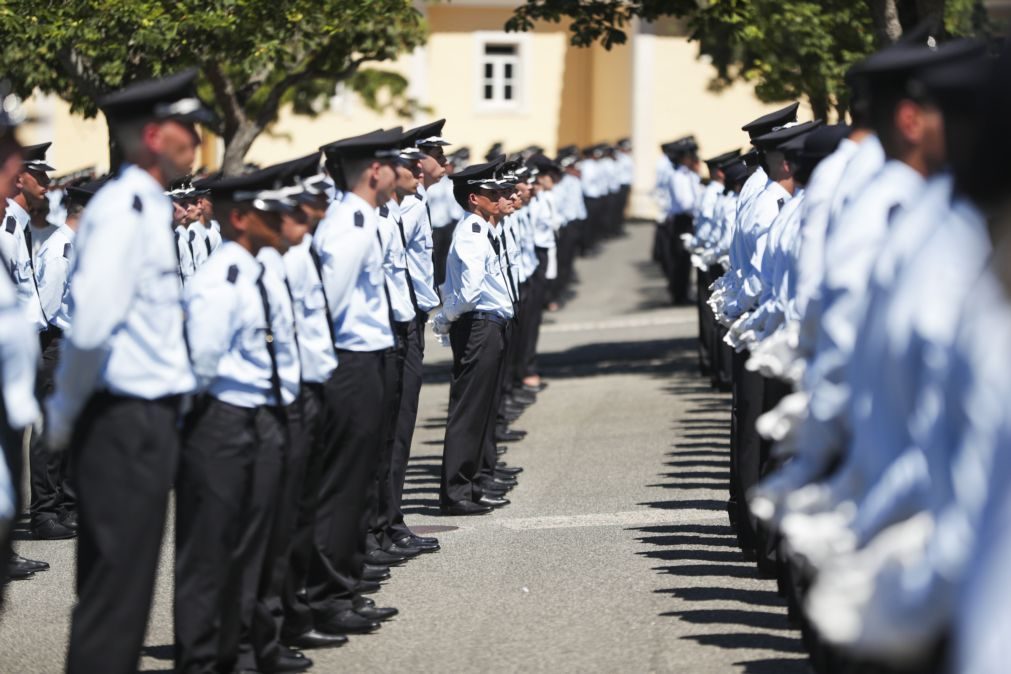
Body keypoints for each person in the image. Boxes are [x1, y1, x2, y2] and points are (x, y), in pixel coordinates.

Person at [44, 68, 210, 674]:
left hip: (148, 418)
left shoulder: (144, 205)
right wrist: (64, 415)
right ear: (151, 135)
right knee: (115, 596)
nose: (196, 138)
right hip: (123, 421)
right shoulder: (121, 208)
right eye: (185, 127)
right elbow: (89, 327)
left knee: (130, 588)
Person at [174, 163, 308, 674]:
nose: (284, 223)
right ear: (241, 220)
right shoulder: (220, 280)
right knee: (211, 553)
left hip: (262, 417)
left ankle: (247, 651)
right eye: (270, 215)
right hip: (225, 422)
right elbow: (199, 367)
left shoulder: (255, 269)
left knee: (256, 544)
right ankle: (203, 660)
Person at [306, 127, 404, 636]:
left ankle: (345, 586)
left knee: (360, 484)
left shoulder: (362, 217)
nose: (399, 170)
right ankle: (326, 597)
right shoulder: (350, 222)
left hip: (367, 358)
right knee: (342, 485)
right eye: (393, 162)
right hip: (349, 362)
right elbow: (329, 302)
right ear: (374, 170)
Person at [433, 158, 516, 515]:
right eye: (492, 193)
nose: (501, 197)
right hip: (478, 324)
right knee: (468, 410)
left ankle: (473, 484)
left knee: (481, 409)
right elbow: (468, 292)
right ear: (474, 199)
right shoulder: (471, 232)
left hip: (490, 323)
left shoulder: (483, 229)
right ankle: (456, 492)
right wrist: (445, 318)